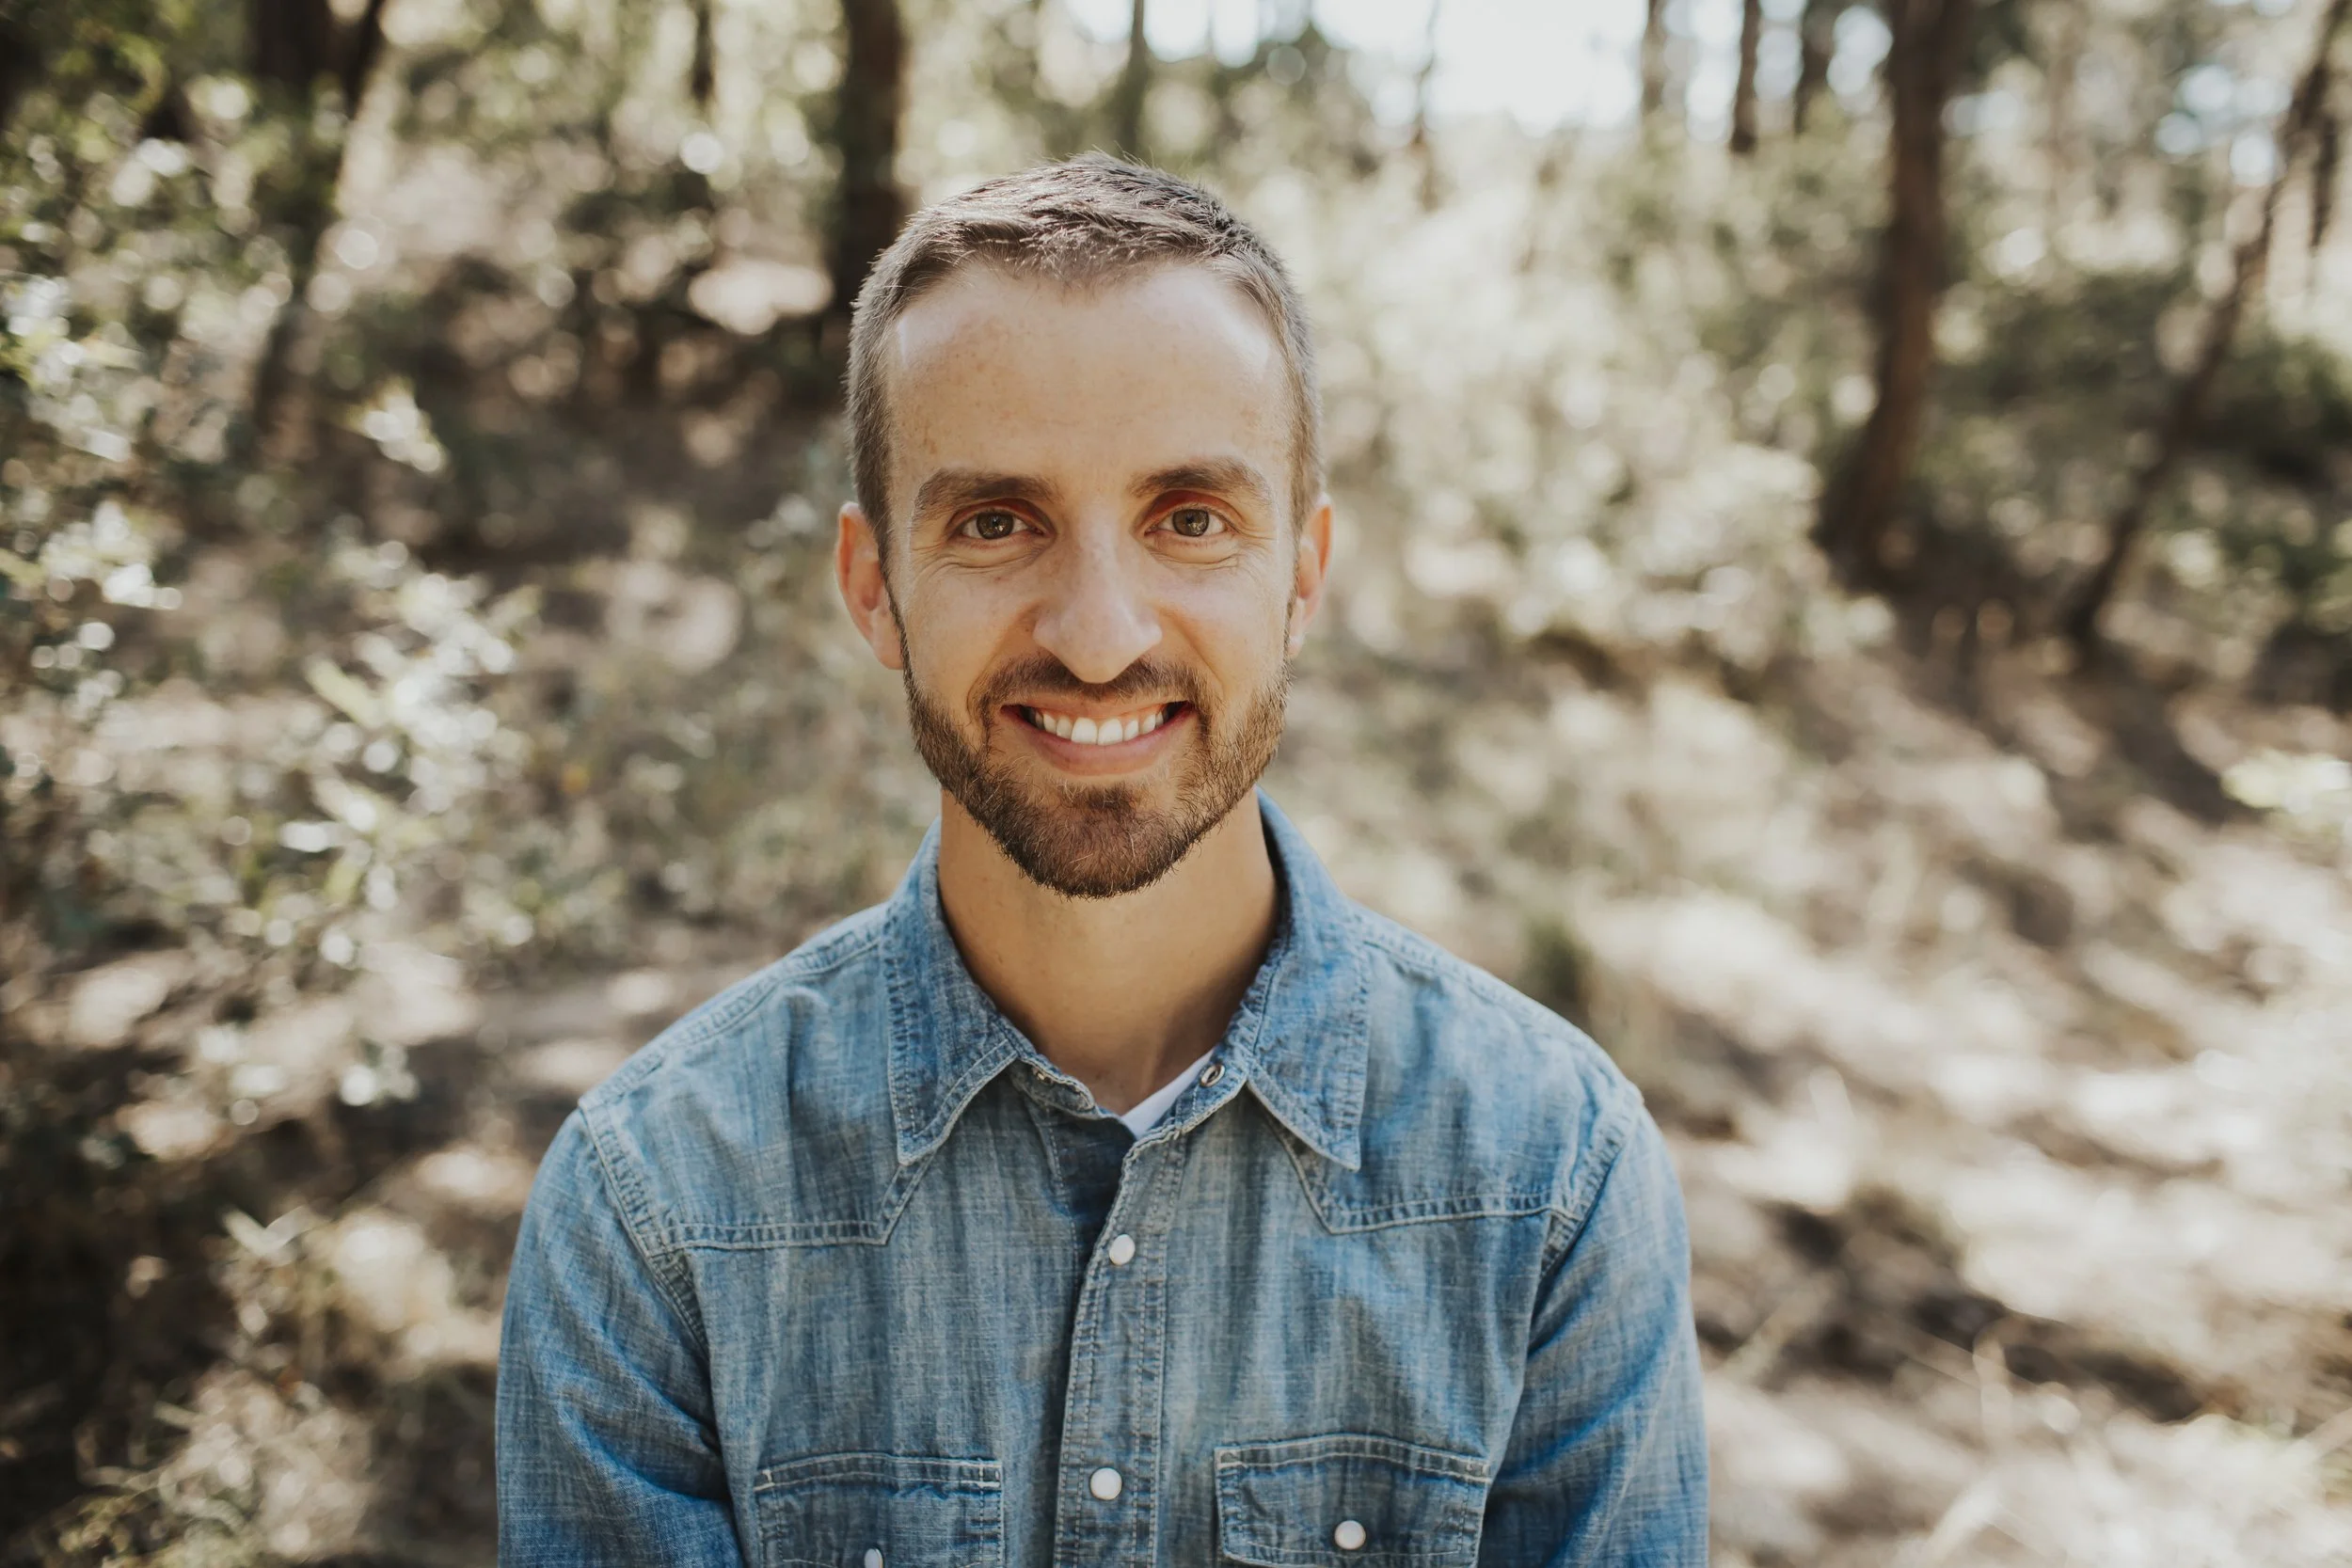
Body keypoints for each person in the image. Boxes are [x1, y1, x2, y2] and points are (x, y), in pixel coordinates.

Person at [496, 155, 1708, 1566]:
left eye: (1189, 519)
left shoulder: (1550, 1180)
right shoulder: (656, 1213)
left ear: (1302, 576)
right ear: (873, 586)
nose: (1096, 631)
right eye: (996, 523)